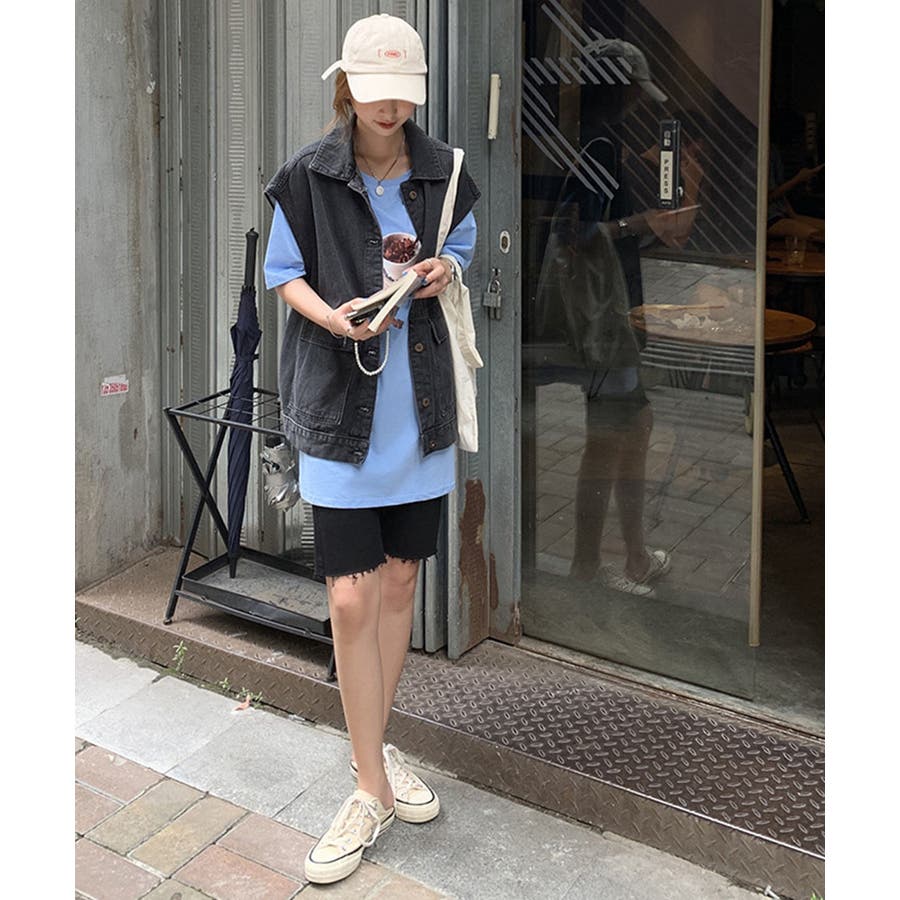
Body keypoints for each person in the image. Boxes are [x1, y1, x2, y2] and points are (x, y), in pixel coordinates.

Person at [262, 14, 479, 885]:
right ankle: (368, 784)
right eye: (374, 90)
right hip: (339, 406)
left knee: (398, 586)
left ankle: (374, 764)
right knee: (350, 601)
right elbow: (284, 274)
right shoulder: (307, 176)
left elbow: (460, 248)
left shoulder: (444, 171)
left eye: (403, 93)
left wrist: (441, 270)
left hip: (418, 414)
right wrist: (337, 318)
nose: (389, 108)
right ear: (346, 87)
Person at [535, 43, 704, 597]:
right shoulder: (600, 148)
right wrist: (641, 222)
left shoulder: (588, 142)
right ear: (618, 89)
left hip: (612, 318)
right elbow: (576, 235)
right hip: (605, 321)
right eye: (632, 91)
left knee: (628, 430)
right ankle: (597, 565)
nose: (637, 103)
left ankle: (628, 556)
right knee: (613, 438)